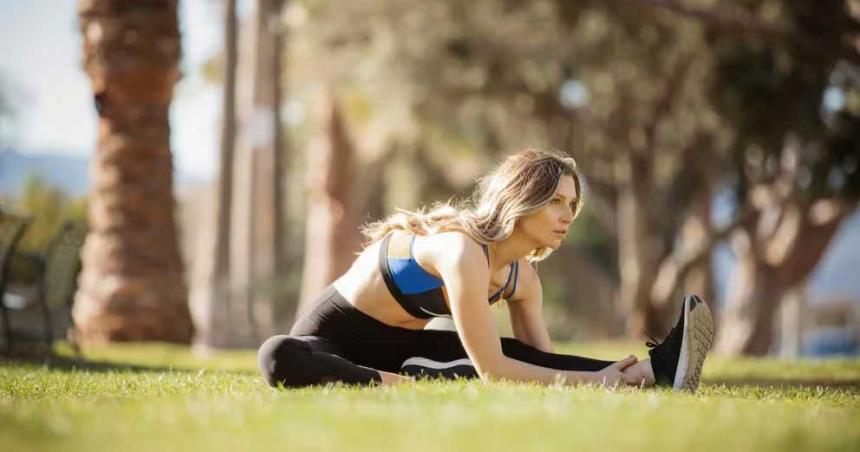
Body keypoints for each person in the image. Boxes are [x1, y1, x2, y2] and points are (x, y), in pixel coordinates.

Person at [258, 150, 715, 391]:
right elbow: (493, 370)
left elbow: (542, 365)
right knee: (276, 356)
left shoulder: (523, 279)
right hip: (328, 347)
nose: (567, 216)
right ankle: (404, 385)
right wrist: (596, 379)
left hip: (402, 353)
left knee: (514, 357)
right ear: (522, 199)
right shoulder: (461, 251)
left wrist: (594, 381)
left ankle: (657, 371)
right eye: (555, 201)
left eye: (572, 205)